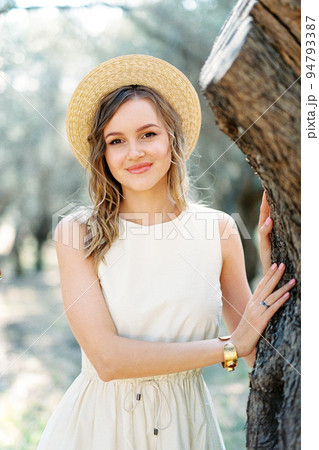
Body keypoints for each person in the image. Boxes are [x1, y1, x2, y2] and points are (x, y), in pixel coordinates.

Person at [37, 55, 295, 450]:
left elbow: (257, 351)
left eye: (148, 134)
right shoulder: (77, 233)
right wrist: (227, 347)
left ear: (172, 137)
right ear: (103, 155)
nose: (134, 152)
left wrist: (270, 260)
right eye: (116, 141)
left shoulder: (220, 230)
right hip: (100, 429)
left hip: (188, 429)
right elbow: (108, 360)